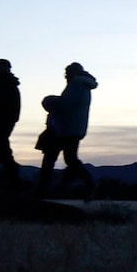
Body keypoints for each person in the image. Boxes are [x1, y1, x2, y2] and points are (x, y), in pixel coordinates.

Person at [33, 61, 98, 196]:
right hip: (74, 128)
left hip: (64, 128)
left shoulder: (76, 85)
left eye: (67, 74)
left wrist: (48, 101)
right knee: (69, 158)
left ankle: (41, 190)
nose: (65, 77)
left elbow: (63, 105)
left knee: (51, 158)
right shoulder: (84, 86)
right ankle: (86, 183)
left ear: (72, 74)